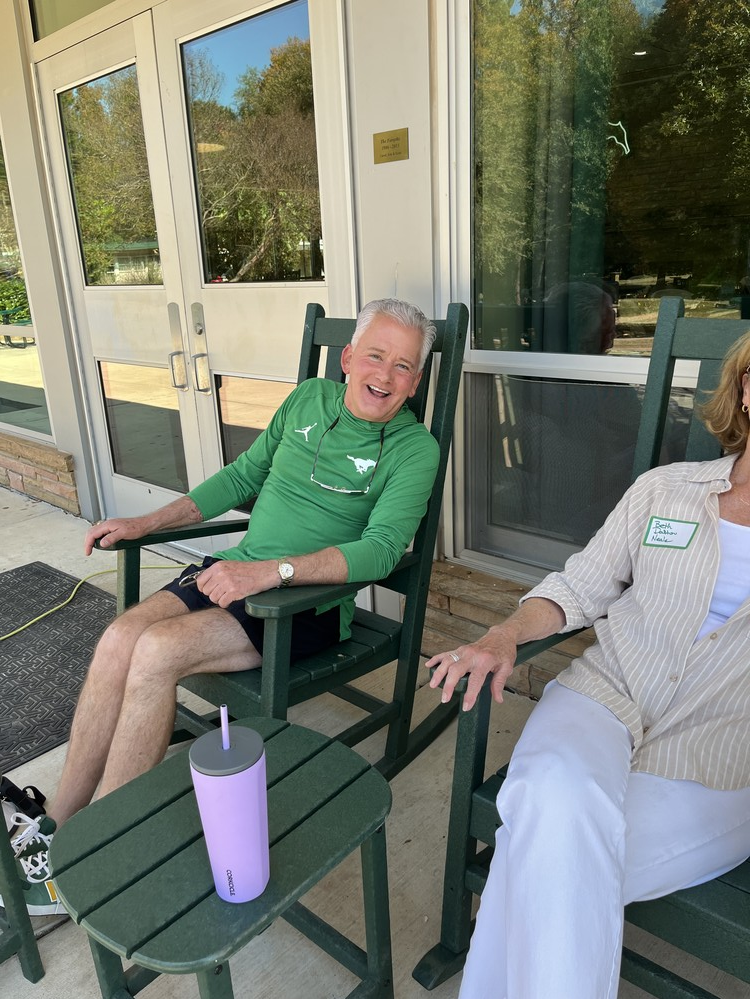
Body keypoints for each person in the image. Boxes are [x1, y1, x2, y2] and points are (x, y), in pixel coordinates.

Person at [6, 298, 440, 916]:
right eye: (376, 355)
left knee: (157, 651)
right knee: (121, 635)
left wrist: (271, 572)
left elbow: (380, 551)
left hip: (306, 606)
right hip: (234, 573)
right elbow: (241, 478)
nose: (386, 375)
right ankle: (59, 821)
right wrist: (144, 522)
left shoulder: (415, 449)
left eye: (403, 366)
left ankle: (97, 853)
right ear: (347, 359)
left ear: (415, 382)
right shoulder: (307, 400)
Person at [428, 329, 750, 999]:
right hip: (604, 697)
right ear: (746, 390)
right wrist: (504, 634)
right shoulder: (666, 490)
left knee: (542, 854)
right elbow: (581, 585)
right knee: (553, 810)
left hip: (720, 754)